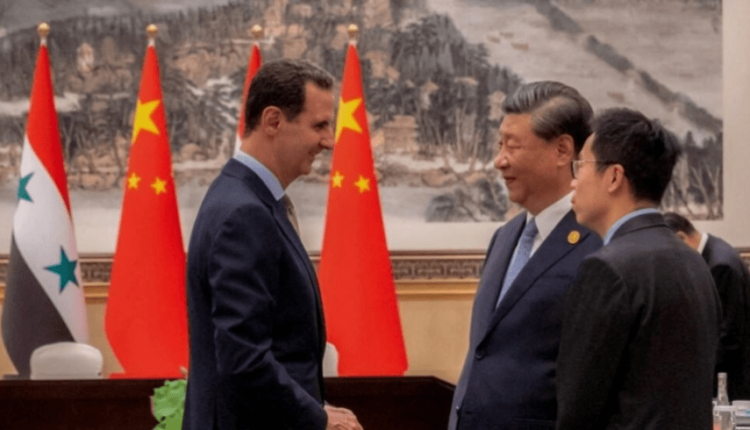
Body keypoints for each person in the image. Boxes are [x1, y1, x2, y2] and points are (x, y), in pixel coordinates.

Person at [183, 59, 362, 430]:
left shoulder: (241, 196)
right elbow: (244, 360)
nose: (329, 141)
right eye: (319, 125)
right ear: (273, 121)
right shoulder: (244, 213)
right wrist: (317, 418)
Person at [450, 81, 602, 430]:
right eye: (499, 144)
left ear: (562, 150)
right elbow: (483, 353)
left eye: (512, 146)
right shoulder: (505, 237)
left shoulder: (598, 244)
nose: (499, 160)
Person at [556, 108, 721, 430]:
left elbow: (577, 407)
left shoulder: (607, 268)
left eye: (581, 165)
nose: (573, 182)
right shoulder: (694, 261)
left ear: (614, 177)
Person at [664, 211, 750, 400]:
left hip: (731, 383)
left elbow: (728, 337)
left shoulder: (721, 266)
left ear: (681, 238)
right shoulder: (714, 253)